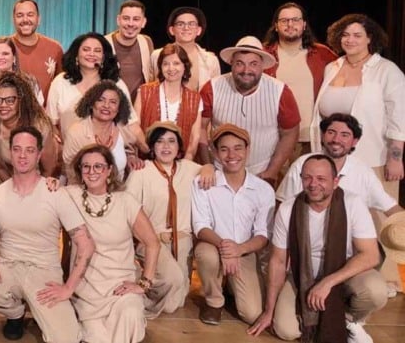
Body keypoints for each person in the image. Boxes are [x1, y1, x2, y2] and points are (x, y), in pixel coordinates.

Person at [248, 155, 388, 343]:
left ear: (335, 181)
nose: (313, 184)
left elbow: (371, 256)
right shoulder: (288, 209)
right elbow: (278, 261)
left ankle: (348, 321)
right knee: (286, 330)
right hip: (301, 275)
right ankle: (319, 317)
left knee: (376, 290)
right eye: (307, 178)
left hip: (343, 273)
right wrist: (268, 311)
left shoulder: (353, 204)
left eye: (321, 179)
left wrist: (328, 282)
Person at [0, 126, 94, 343]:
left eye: (29, 150)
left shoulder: (55, 192)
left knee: (66, 339)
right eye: (17, 149)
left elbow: (85, 244)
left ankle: (46, 312)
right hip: (9, 266)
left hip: (43, 271)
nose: (22, 156)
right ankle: (15, 314)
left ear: (39, 154)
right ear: (10, 152)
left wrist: (69, 288)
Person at [278, 113, 404, 296]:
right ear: (322, 135)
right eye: (331, 132)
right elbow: (282, 207)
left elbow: (391, 208)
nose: (336, 139)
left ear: (355, 141)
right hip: (306, 255)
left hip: (346, 259)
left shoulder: (362, 172)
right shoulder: (301, 165)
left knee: (374, 281)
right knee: (285, 325)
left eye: (344, 135)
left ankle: (351, 314)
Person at [66, 144, 160, 343]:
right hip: (86, 293)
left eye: (98, 166)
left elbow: (153, 243)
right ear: (79, 170)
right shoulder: (69, 195)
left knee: (130, 314)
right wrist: (50, 181)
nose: (92, 172)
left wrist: (143, 283)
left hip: (120, 288)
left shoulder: (125, 201)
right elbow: (43, 191)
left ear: (109, 170)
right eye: (86, 167)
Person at [310, 13, 405, 204]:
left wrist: (395, 158)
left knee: (377, 219)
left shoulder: (386, 70)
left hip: (373, 159)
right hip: (333, 159)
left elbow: (399, 118)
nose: (350, 40)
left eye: (357, 35)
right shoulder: (332, 67)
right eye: (345, 35)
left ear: (369, 38)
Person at [124, 122, 214, 311]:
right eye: (160, 141)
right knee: (173, 279)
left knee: (176, 303)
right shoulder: (142, 171)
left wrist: (208, 167)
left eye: (171, 141)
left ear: (179, 146)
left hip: (182, 241)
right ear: (152, 146)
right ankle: (136, 290)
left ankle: (149, 287)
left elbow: (209, 171)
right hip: (152, 240)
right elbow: (128, 211)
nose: (166, 147)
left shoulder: (189, 169)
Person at [191, 124, 275, 326]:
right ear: (215, 153)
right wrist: (226, 247)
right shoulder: (204, 183)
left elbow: (263, 234)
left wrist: (239, 249)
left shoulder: (262, 189)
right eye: (224, 149)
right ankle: (214, 301)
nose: (231, 155)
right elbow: (200, 226)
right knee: (206, 255)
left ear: (248, 150)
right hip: (213, 244)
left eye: (238, 148)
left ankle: (230, 287)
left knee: (252, 314)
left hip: (245, 251)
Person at [200, 36, 300, 183]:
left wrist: (272, 171)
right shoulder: (212, 88)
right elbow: (200, 127)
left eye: (253, 64)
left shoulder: (280, 91)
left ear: (262, 66)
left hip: (262, 172)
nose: (246, 70)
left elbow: (290, 133)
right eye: (240, 64)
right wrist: (207, 165)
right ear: (231, 64)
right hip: (220, 171)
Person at [262, 2, 338, 159]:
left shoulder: (323, 55)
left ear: (304, 25)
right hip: (274, 139)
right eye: (284, 21)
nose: (290, 24)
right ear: (276, 26)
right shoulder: (263, 55)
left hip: (311, 140)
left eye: (295, 20)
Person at [47, 32, 136, 141]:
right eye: (86, 49)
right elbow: (51, 123)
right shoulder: (61, 82)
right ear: (76, 54)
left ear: (103, 57)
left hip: (108, 151)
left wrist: (146, 149)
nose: (91, 54)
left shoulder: (116, 83)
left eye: (97, 51)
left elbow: (131, 123)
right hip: (70, 151)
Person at [0, 71, 58, 182]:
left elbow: (48, 169)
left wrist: (35, 192)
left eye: (10, 100)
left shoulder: (40, 127)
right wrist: (14, 191)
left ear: (21, 101)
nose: (3, 105)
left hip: (41, 184)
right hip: (12, 184)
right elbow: (1, 168)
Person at [62, 80, 145, 182]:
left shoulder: (123, 129)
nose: (106, 105)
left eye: (113, 102)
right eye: (101, 100)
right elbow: (71, 173)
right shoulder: (76, 133)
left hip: (119, 192)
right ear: (91, 104)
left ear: (119, 108)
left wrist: (131, 158)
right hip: (84, 194)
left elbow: (129, 149)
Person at [134, 43, 204, 161]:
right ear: (160, 67)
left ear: (185, 66)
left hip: (181, 162)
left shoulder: (195, 98)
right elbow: (135, 126)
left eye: (176, 63)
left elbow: (195, 136)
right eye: (166, 64)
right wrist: (148, 151)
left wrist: (186, 162)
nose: (171, 68)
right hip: (148, 160)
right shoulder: (144, 91)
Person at [149, 6, 220, 92]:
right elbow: (150, 88)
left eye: (191, 24)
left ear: (199, 30)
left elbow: (215, 93)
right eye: (180, 24)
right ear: (172, 30)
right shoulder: (157, 55)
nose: (186, 28)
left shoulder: (211, 60)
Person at [10, 0, 63, 99]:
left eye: (30, 15)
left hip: (45, 114)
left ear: (38, 19)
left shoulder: (55, 49)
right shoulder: (3, 48)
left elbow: (61, 88)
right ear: (13, 19)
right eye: (20, 15)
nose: (25, 20)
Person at [104, 0, 155, 100]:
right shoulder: (103, 43)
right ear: (118, 20)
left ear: (143, 22)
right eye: (126, 18)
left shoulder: (146, 41)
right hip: (110, 107)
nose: (130, 24)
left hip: (140, 107)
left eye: (136, 19)